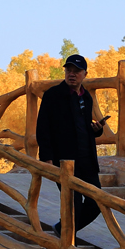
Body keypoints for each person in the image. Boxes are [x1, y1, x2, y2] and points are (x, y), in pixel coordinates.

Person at [36, 54, 110, 235]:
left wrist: (96, 130)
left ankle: (62, 230)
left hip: (87, 160)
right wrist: (47, 157)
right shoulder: (53, 95)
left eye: (77, 71)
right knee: (73, 206)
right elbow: (42, 128)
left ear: (85, 74)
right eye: (69, 70)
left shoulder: (87, 97)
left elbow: (84, 128)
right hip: (65, 161)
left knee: (97, 203)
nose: (72, 74)